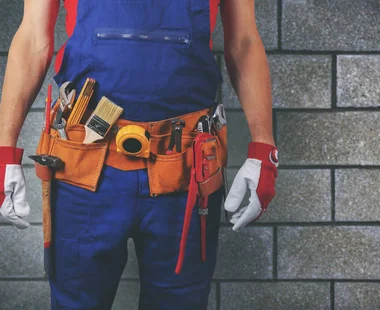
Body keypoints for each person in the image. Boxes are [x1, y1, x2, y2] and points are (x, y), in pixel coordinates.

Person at [0, 0, 278, 309]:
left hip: (185, 174)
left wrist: (263, 147)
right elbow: (33, 39)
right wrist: (4, 151)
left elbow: (243, 42)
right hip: (83, 170)